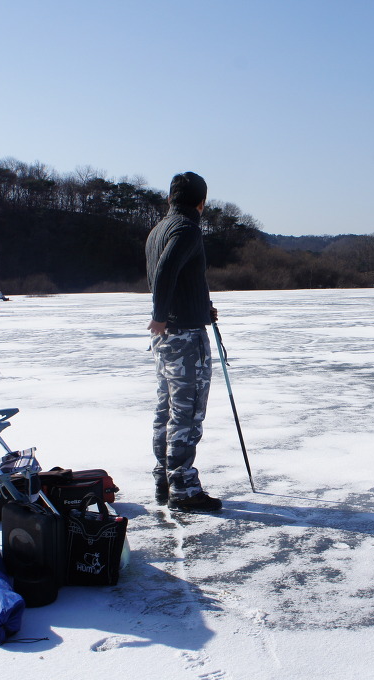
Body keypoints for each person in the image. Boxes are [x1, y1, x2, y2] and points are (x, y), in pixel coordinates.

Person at [145, 171, 222, 513]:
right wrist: (161, 314)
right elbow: (166, 271)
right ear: (202, 202)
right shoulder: (187, 228)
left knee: (167, 410)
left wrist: (201, 306)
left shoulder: (158, 229)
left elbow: (180, 276)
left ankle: (164, 477)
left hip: (169, 337)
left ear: (170, 199)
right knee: (187, 413)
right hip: (183, 338)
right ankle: (184, 488)